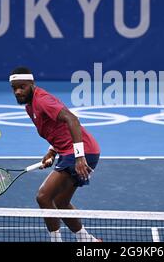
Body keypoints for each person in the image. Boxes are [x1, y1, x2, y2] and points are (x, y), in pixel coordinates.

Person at [9, 66, 101, 242]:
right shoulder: (30, 107)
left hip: (81, 151)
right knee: (60, 202)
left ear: (32, 84)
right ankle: (87, 240)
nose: (18, 92)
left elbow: (72, 119)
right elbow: (56, 130)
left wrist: (79, 156)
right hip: (71, 151)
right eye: (14, 88)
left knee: (43, 197)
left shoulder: (43, 101)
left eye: (22, 87)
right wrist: (51, 151)